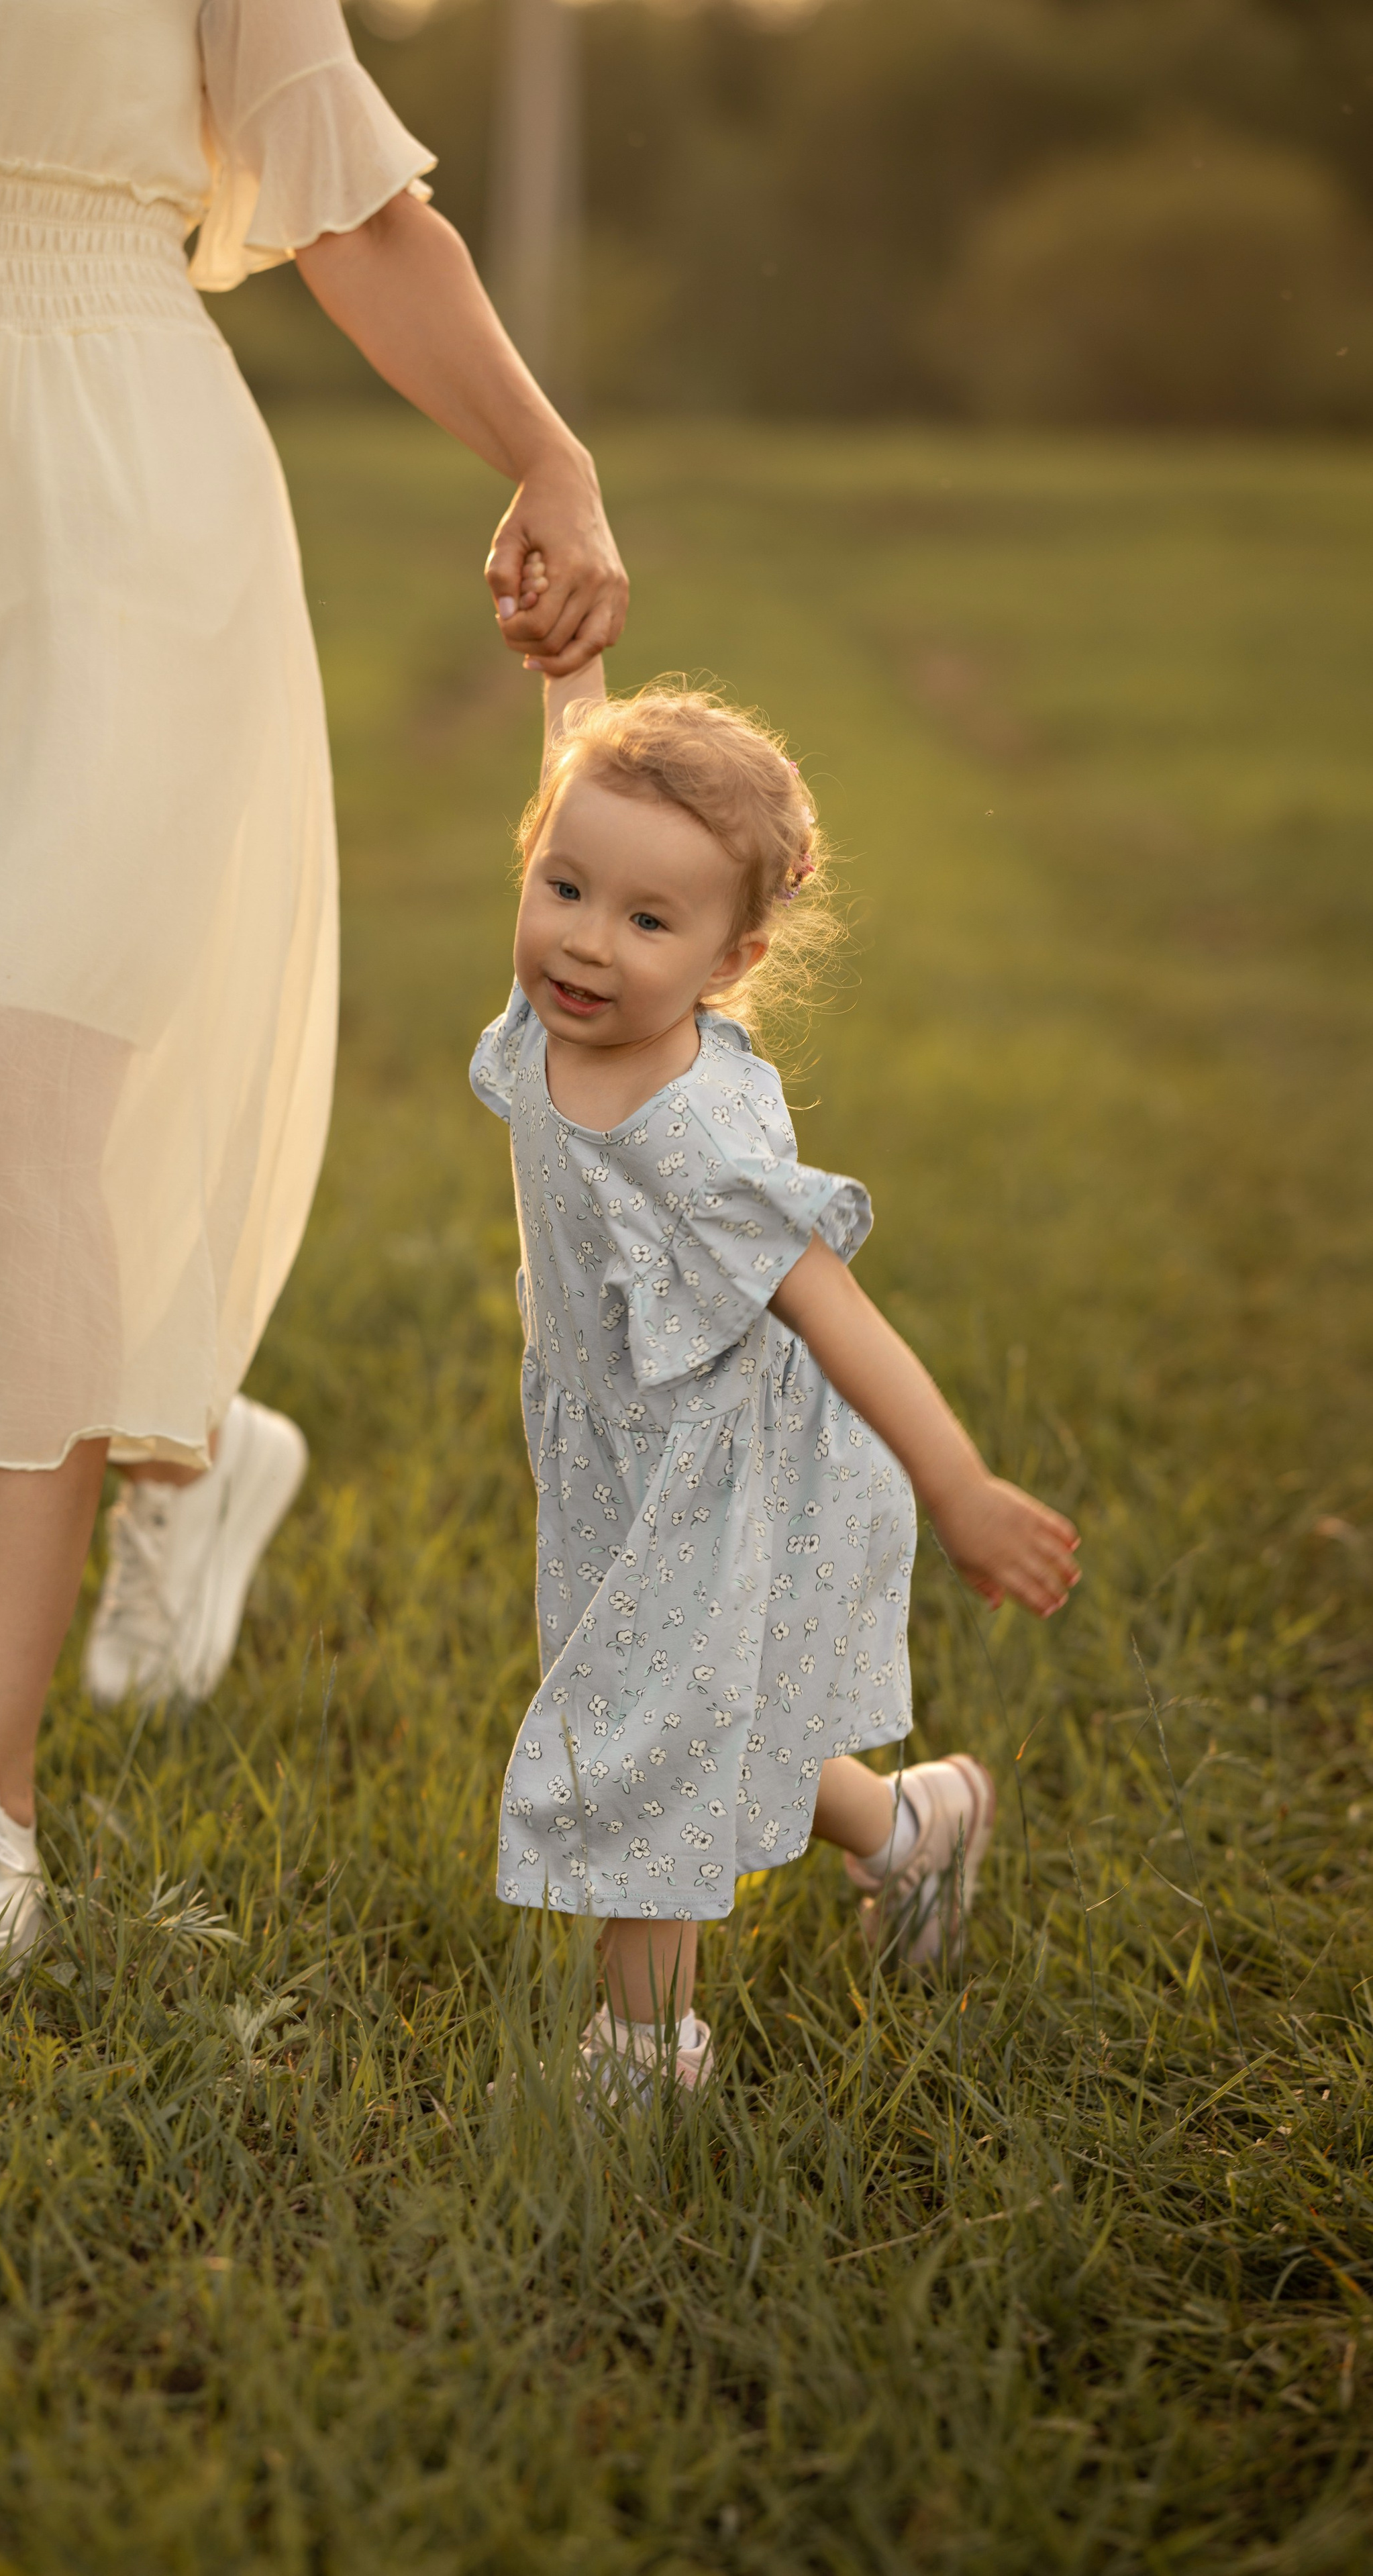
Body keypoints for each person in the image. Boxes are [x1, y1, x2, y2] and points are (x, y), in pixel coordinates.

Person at [0, 0, 626, 1979]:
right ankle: (183, 1442)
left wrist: (547, 457)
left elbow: (354, 207)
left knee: (12, 1107)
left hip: (113, 500)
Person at [470, 645, 1079, 2097]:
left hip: (702, 1470)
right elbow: (575, 765)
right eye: (564, 888)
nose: (586, 943)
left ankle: (641, 2053)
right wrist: (573, 657)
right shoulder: (560, 1007)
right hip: (613, 1445)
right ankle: (910, 1831)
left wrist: (958, 1486)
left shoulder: (689, 1138)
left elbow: (835, 1310)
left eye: (647, 919)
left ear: (731, 957)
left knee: (646, 1743)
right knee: (692, 1711)